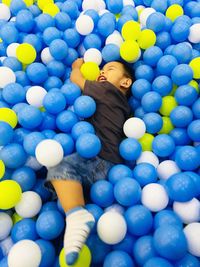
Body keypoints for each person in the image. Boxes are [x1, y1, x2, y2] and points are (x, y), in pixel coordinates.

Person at [45, 58, 133, 265]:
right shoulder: (121, 105)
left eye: (109, 69)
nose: (102, 72)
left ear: (125, 83)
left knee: (60, 167)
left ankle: (77, 215)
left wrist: (76, 66)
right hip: (111, 167)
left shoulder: (106, 91)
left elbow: (76, 78)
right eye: (101, 69)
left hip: (99, 159)